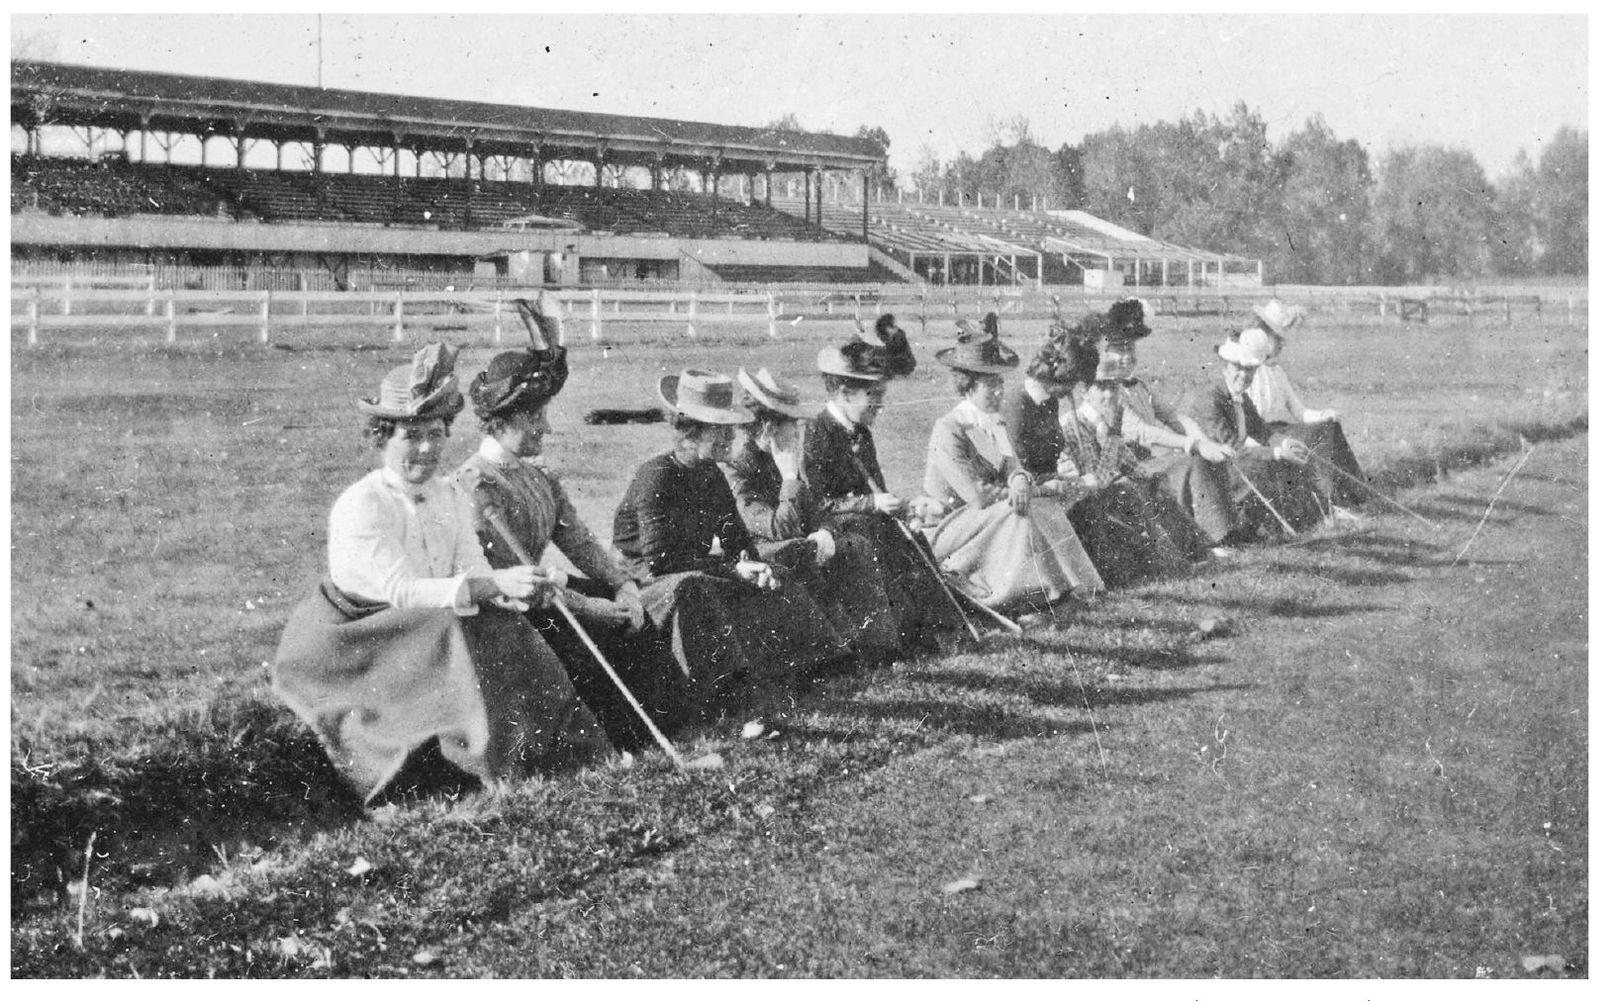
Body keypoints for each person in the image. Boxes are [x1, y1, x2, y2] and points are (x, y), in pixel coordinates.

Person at [271, 342, 610, 805]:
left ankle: (555, 754)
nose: (427, 449)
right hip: (359, 638)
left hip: (420, 625)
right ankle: (484, 766)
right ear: (381, 438)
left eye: (436, 434)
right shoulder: (363, 503)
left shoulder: (449, 494)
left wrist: (518, 592)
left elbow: (471, 567)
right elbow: (403, 592)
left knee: (505, 624)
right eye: (411, 436)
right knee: (457, 629)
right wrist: (493, 585)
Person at [455, 295, 686, 748]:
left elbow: (581, 544)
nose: (546, 427)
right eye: (536, 416)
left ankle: (662, 728)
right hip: (514, 612)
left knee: (630, 614)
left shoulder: (539, 476)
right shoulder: (475, 486)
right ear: (505, 421)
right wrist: (599, 608)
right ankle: (619, 739)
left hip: (551, 596)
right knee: (596, 631)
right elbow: (520, 581)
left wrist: (622, 586)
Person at [612, 368, 853, 705]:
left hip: (689, 569)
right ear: (691, 433)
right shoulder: (657, 477)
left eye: (730, 428)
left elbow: (738, 543)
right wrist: (733, 569)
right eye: (720, 430)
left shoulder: (711, 474)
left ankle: (811, 665)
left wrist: (754, 565)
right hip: (645, 584)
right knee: (693, 586)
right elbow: (659, 562)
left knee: (775, 567)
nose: (730, 437)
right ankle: (724, 692)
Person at [721, 365, 904, 664]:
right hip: (758, 554)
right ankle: (837, 654)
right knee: (800, 550)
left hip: (795, 545)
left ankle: (879, 647)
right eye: (791, 426)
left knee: (854, 543)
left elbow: (816, 510)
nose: (797, 433)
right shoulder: (738, 472)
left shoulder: (777, 461)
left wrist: (825, 530)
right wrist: (790, 476)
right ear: (769, 430)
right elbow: (777, 529)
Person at [800, 330, 968, 651]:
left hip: (868, 520)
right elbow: (819, 503)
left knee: (910, 535)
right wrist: (872, 503)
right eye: (873, 396)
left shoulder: (861, 432)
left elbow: (880, 490)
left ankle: (944, 627)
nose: (881, 405)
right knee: (880, 538)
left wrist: (904, 507)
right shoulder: (817, 433)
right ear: (846, 393)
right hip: (831, 529)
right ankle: (903, 636)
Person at [921, 324, 1105, 615]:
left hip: (984, 520)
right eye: (989, 385)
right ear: (967, 387)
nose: (998, 392)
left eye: (1000, 383)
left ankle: (1078, 587)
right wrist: (1034, 489)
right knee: (1020, 510)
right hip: (949, 526)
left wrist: (1020, 479)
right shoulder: (949, 429)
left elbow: (1013, 467)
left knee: (1043, 508)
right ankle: (1024, 599)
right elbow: (977, 496)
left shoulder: (994, 423)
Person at [1099, 298, 1249, 549]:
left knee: (1206, 457)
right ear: (1106, 353)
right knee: (1195, 460)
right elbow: (1142, 432)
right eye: (1120, 350)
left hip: (1147, 462)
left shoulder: (1139, 386)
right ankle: (1215, 538)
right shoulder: (1106, 391)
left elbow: (1175, 416)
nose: (1127, 357)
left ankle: (1226, 530)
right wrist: (1193, 445)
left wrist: (1203, 440)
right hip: (1127, 468)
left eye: (1131, 350)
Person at [1057, 351, 1206, 585]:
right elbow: (1098, 482)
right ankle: (1170, 558)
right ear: (1084, 391)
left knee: (1152, 484)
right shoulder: (1073, 425)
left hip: (1109, 498)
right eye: (1101, 388)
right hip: (1082, 508)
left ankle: (1193, 551)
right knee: (1126, 492)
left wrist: (1152, 478)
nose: (1109, 395)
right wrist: (1115, 436)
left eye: (1113, 388)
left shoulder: (1105, 422)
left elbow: (1130, 465)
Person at [1178, 331, 1328, 539]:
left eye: (1250, 370)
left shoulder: (1240, 396)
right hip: (1211, 470)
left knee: (1288, 463)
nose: (1244, 375)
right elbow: (1231, 447)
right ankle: (1260, 529)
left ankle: (1307, 523)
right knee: (1267, 466)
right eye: (1237, 368)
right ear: (1224, 366)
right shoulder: (1210, 397)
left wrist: (1285, 442)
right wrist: (1276, 453)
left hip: (1232, 463)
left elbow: (1262, 431)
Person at [1243, 299, 1370, 517]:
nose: (1283, 344)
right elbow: (1248, 425)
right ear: (1263, 336)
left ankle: (1354, 493)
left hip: (1282, 429)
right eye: (1278, 339)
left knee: (1329, 426)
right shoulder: (1248, 372)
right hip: (1265, 436)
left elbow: (1299, 411)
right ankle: (1330, 501)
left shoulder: (1277, 372)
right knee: (1320, 434)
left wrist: (1323, 414)